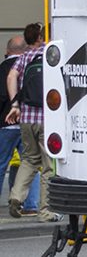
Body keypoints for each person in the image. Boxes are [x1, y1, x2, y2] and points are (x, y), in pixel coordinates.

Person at [6, 23, 55, 222]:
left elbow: (11, 76)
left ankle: (16, 197)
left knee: (28, 159)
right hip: (46, 118)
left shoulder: (25, 57)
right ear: (41, 37)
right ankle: (45, 211)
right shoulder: (51, 54)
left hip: (26, 118)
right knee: (48, 166)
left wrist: (15, 105)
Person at [0, 37, 23, 206]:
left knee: (1, 164)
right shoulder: (29, 65)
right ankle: (30, 204)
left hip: (6, 123)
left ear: (7, 51)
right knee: (30, 164)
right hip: (28, 122)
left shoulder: (3, 69)